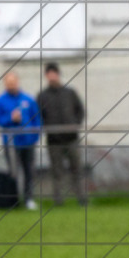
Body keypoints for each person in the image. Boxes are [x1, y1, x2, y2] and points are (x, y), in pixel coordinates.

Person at [37, 63, 87, 206]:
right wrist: (47, 128)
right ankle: (58, 201)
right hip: (54, 140)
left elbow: (80, 111)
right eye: (49, 73)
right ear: (46, 76)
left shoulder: (70, 93)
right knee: (57, 171)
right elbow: (38, 116)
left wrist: (75, 126)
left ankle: (81, 199)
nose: (52, 76)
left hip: (72, 138)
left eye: (54, 73)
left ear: (58, 74)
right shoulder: (42, 96)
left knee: (77, 169)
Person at [0, 72, 41, 210]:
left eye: (13, 82)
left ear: (18, 81)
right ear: (5, 83)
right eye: (8, 82)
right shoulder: (0, 101)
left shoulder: (28, 99)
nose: (11, 84)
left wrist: (35, 137)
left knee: (29, 172)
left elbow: (37, 120)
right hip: (12, 143)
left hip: (28, 142)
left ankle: (29, 199)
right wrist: (10, 119)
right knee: (14, 172)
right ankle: (13, 200)